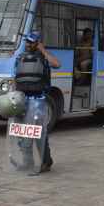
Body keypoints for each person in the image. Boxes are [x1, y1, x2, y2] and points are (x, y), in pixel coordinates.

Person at [13, 32, 61, 172]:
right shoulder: (20, 57)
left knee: (38, 132)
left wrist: (43, 50)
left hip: (38, 100)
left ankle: (46, 161)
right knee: (22, 132)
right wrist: (13, 95)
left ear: (37, 43)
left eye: (31, 42)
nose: (27, 44)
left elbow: (57, 64)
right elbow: (16, 77)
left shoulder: (44, 58)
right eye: (27, 42)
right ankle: (27, 161)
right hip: (23, 99)